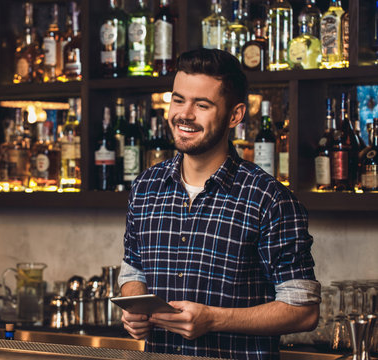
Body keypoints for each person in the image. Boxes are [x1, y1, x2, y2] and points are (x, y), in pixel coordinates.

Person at [118, 48, 320, 360]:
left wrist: (213, 319)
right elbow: (133, 271)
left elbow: (304, 310)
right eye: (178, 99)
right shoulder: (145, 188)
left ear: (235, 115)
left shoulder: (268, 198)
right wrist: (134, 309)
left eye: (202, 105)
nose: (184, 114)